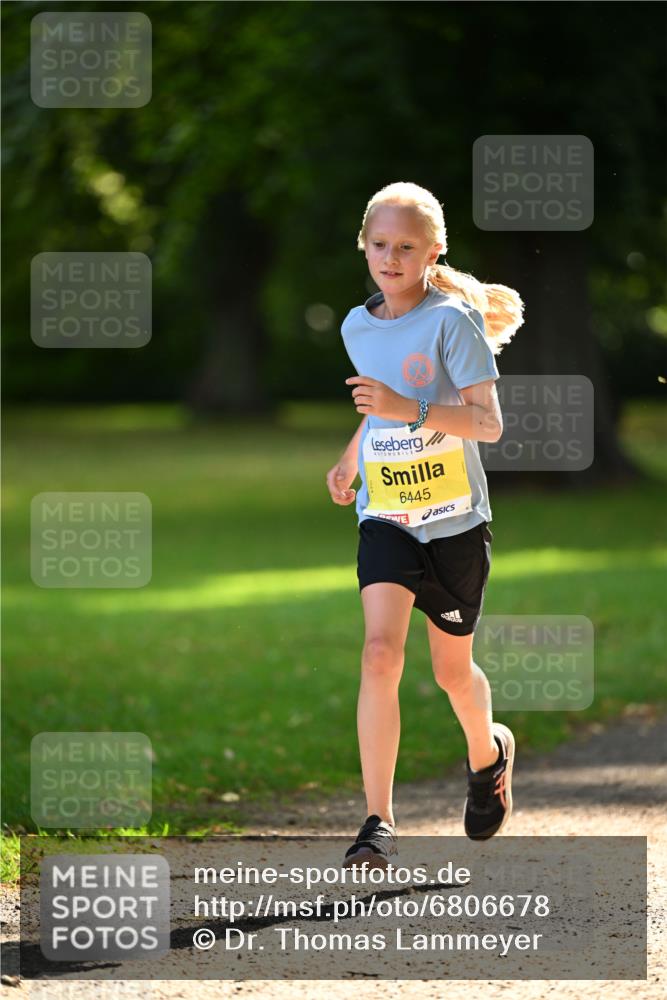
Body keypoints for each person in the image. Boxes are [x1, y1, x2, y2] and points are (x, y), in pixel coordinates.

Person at [326, 181, 525, 869]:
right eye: (379, 244)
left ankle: (487, 753)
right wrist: (351, 458)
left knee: (452, 673)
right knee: (380, 653)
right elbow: (374, 406)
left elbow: (488, 425)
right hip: (386, 513)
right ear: (364, 246)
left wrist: (407, 408)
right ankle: (377, 820)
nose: (390, 257)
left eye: (405, 247)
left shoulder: (451, 323)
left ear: (431, 252)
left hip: (453, 523)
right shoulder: (356, 324)